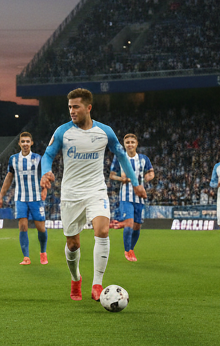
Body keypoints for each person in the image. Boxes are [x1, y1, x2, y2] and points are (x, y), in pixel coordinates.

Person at [40, 88, 143, 302]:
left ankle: (97, 284)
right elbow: (47, 155)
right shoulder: (62, 132)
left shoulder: (105, 132)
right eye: (70, 107)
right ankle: (75, 278)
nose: (72, 111)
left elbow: (121, 155)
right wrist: (45, 172)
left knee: (103, 231)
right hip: (71, 194)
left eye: (76, 107)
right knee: (73, 244)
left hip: (96, 190)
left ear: (88, 107)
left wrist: (135, 183)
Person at [0, 131, 48, 265]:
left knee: (41, 228)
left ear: (32, 143)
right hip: (20, 198)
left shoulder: (38, 158)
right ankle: (26, 257)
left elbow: (45, 175)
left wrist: (45, 190)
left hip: (36, 198)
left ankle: (43, 252)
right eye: (23, 141)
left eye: (27, 141)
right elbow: (9, 178)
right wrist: (1, 196)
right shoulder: (13, 159)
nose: (25, 144)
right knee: (23, 226)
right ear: (19, 143)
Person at [109, 133, 154, 262]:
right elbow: (112, 175)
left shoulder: (144, 159)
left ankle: (131, 249)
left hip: (139, 197)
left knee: (137, 225)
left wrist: (148, 177)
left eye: (132, 142)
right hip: (126, 196)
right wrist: (121, 179)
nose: (130, 144)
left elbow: (151, 172)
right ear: (124, 144)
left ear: (136, 144)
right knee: (129, 223)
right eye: (127, 142)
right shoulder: (119, 157)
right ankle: (127, 251)